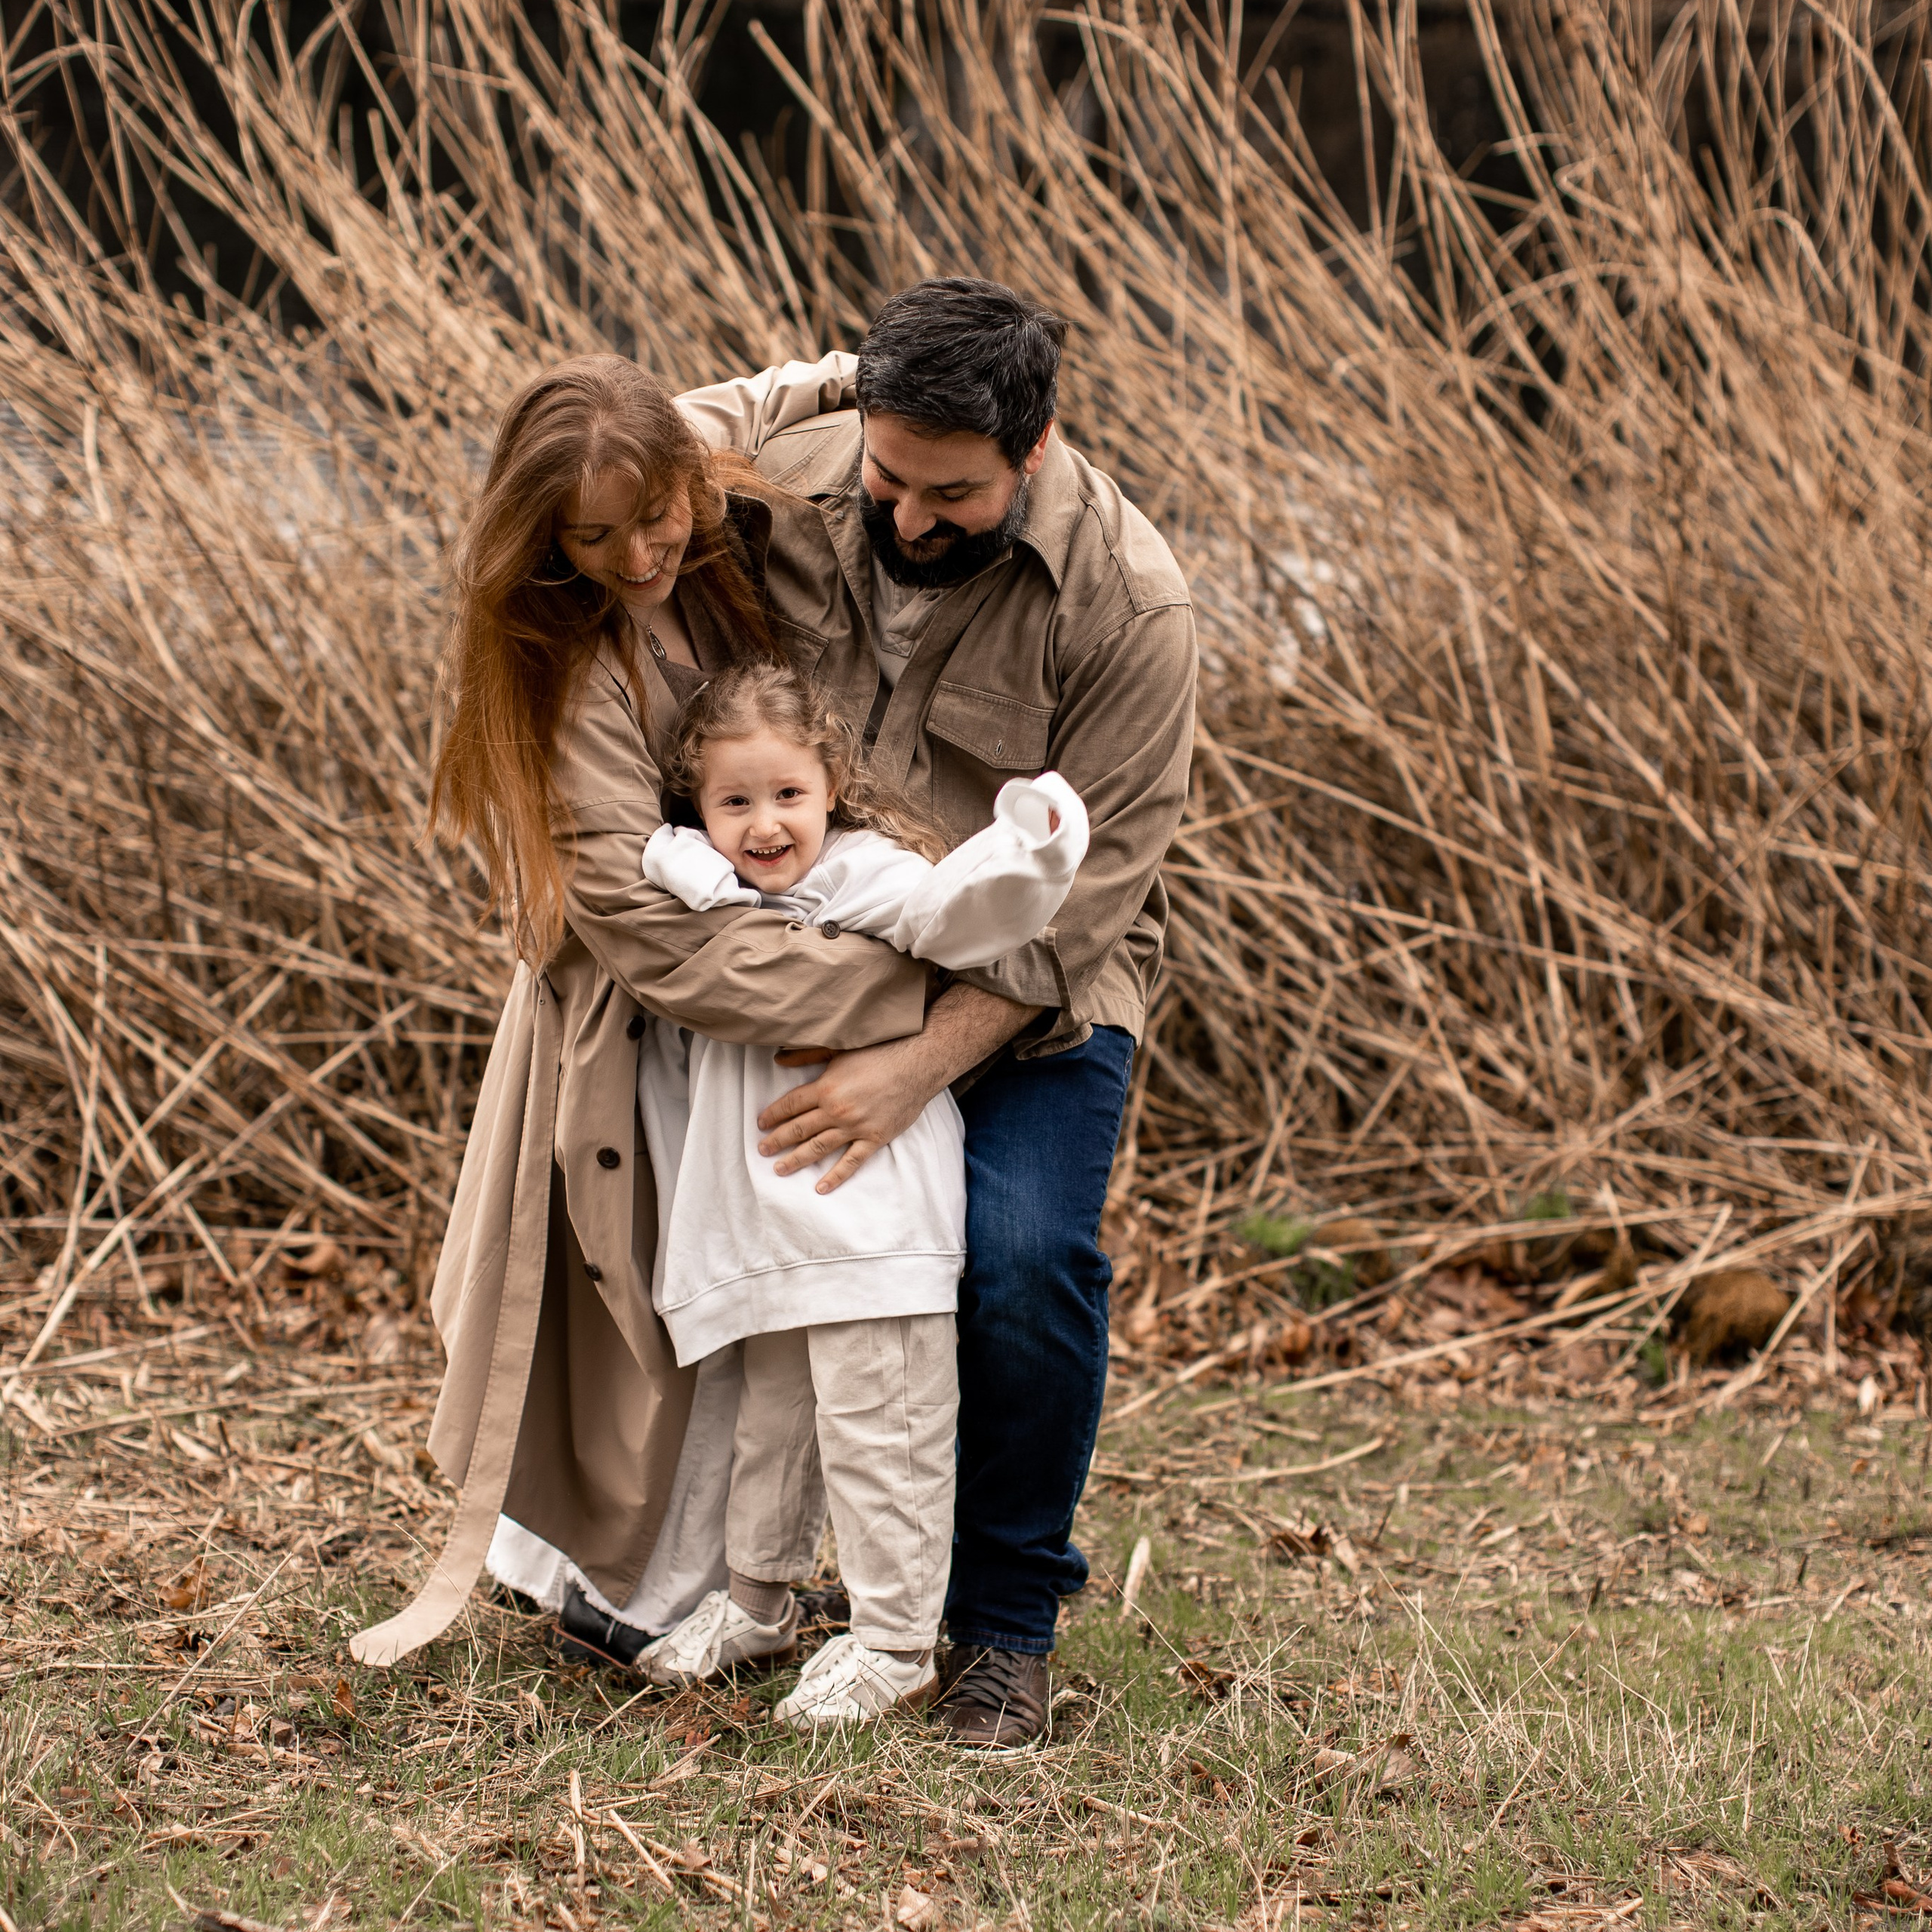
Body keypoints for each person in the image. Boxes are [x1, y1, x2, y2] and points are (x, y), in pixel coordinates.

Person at [348, 355, 934, 1669]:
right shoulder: (564, 667)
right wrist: (896, 985)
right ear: (549, 534)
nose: (633, 554)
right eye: (592, 536)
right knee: (658, 1304)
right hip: (638, 1021)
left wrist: (862, 369)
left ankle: (694, 1574)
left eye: (651, 518)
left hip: (749, 991)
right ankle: (632, 1591)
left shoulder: (689, 490)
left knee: (730, 1291)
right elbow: (650, 936)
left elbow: (753, 404)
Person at [674, 278, 1197, 1746]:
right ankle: (728, 1577)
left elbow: (1091, 906)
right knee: (746, 1262)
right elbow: (622, 449)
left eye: (948, 493)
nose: (903, 516)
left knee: (1022, 1262)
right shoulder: (800, 472)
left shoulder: (1132, 604)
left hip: (1031, 992)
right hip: (826, 950)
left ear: (1031, 447)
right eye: (883, 477)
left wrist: (915, 1066)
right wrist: (824, 384)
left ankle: (1002, 1624)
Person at [627, 662, 1088, 1727]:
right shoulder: (703, 877)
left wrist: (1031, 849)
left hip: (869, 1210)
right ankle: (758, 1601)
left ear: (831, 785)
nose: (765, 823)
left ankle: (892, 1641)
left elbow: (955, 917)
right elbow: (656, 865)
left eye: (787, 795)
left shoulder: (868, 876)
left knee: (885, 1429)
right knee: (770, 1423)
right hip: (769, 1216)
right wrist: (684, 857)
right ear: (700, 804)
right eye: (734, 802)